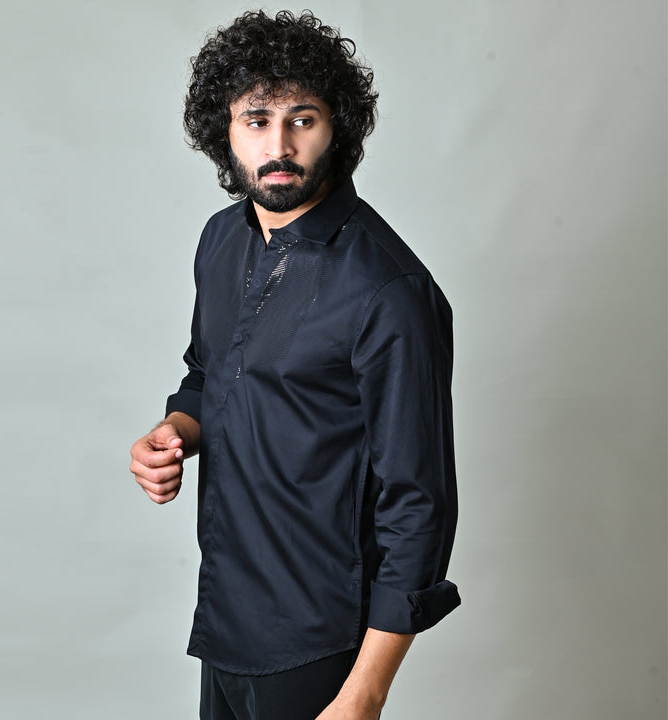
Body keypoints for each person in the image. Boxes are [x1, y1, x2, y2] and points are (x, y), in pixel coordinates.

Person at [130, 10, 460, 720]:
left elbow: (419, 503)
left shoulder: (389, 290)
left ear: (336, 127)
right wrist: (174, 433)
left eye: (301, 120)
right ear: (224, 132)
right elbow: (209, 376)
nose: (278, 145)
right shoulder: (221, 240)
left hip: (321, 643)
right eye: (256, 120)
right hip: (225, 618)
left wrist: (364, 693)